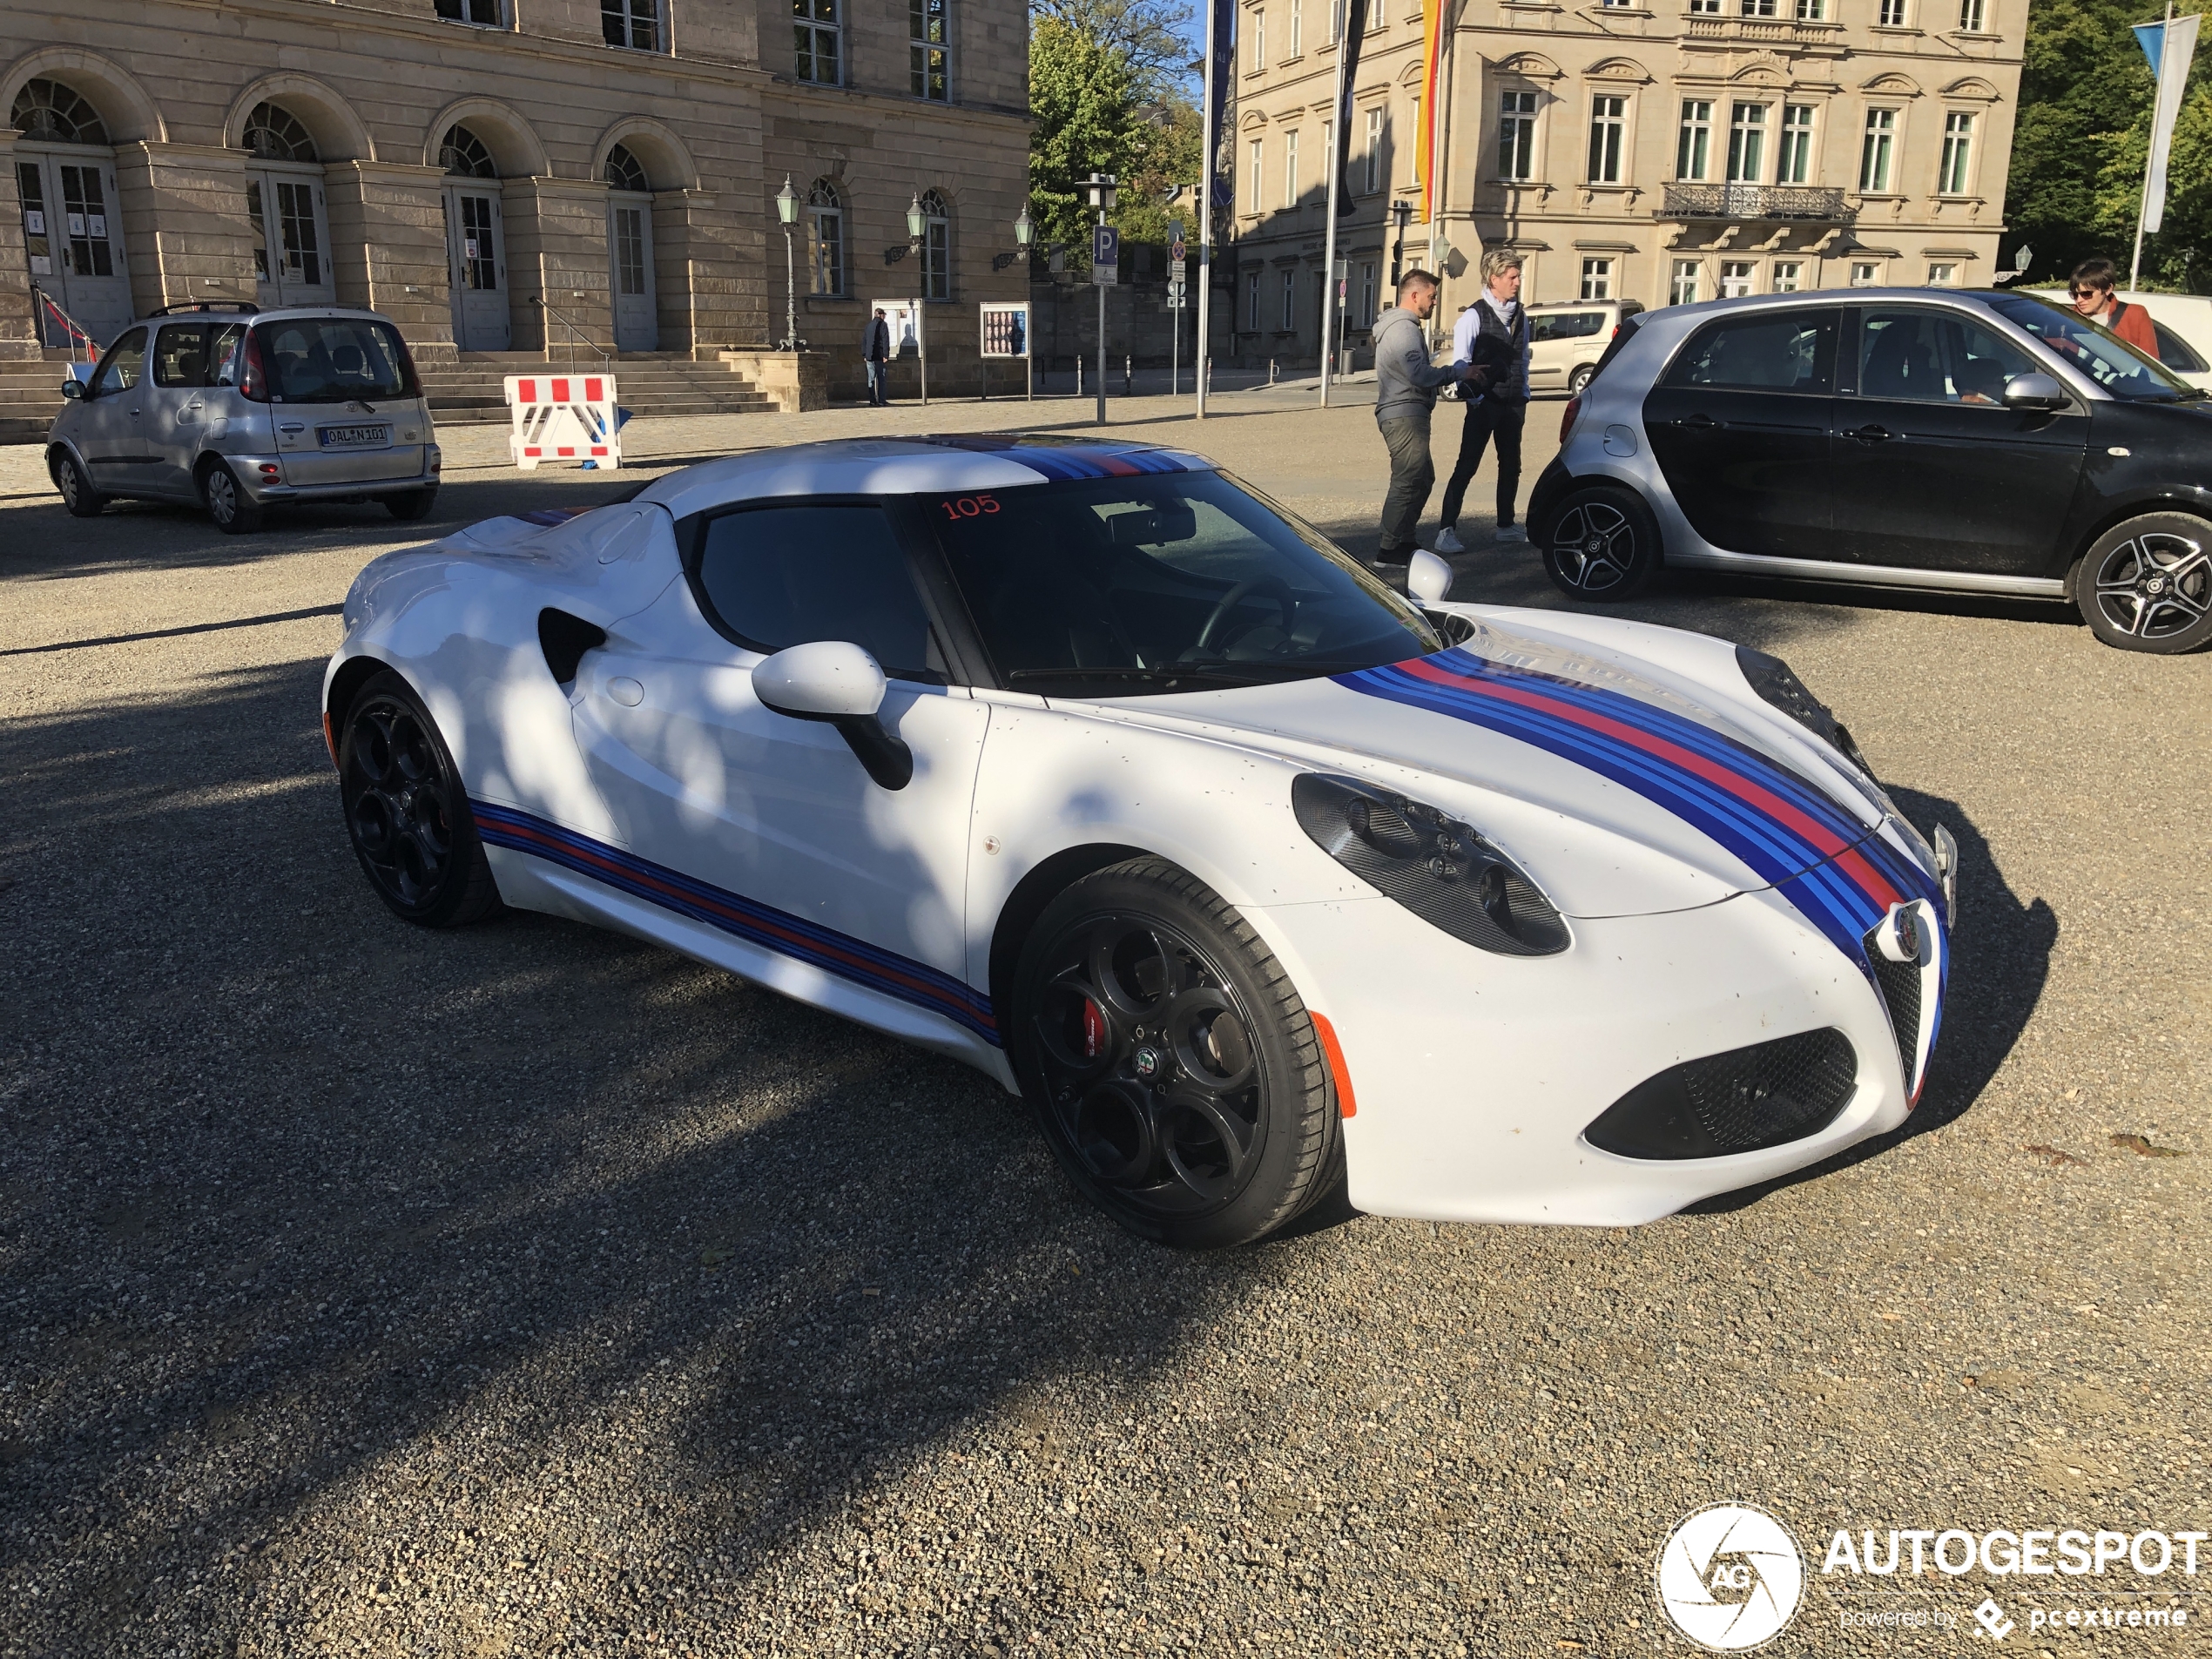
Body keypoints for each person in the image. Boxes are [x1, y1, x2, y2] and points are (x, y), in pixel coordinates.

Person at [1370, 269, 1475, 565]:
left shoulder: (1403, 327)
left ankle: (1404, 540)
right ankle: (1389, 549)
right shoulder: (1403, 330)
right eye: (1431, 296)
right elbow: (1420, 374)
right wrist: (1457, 371)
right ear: (1414, 296)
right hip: (1404, 414)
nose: (1435, 302)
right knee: (1407, 479)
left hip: (1406, 412)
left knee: (1423, 477)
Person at [1433, 252, 1533, 552]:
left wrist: (1524, 392)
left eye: (1518, 276)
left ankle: (1506, 524)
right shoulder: (1473, 316)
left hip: (1513, 400)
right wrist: (1474, 397)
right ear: (1494, 279)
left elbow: (1523, 357)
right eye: (1511, 277)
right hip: (1484, 401)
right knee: (1467, 465)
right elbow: (1463, 362)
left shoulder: (1521, 315)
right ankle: (1446, 530)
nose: (1517, 282)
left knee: (1511, 464)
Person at [2067, 259, 2160, 359]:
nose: (2079, 300)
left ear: (2108, 289)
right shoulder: (2066, 318)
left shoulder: (2134, 315)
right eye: (2075, 295)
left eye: (2086, 294)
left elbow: (2151, 362)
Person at [863, 307, 893, 406]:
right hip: (879, 356)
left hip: (869, 356)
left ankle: (872, 400)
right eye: (884, 315)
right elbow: (885, 341)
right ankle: (881, 400)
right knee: (881, 379)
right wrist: (886, 355)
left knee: (871, 379)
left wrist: (864, 354)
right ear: (880, 315)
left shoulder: (868, 325)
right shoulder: (883, 325)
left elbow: (864, 340)